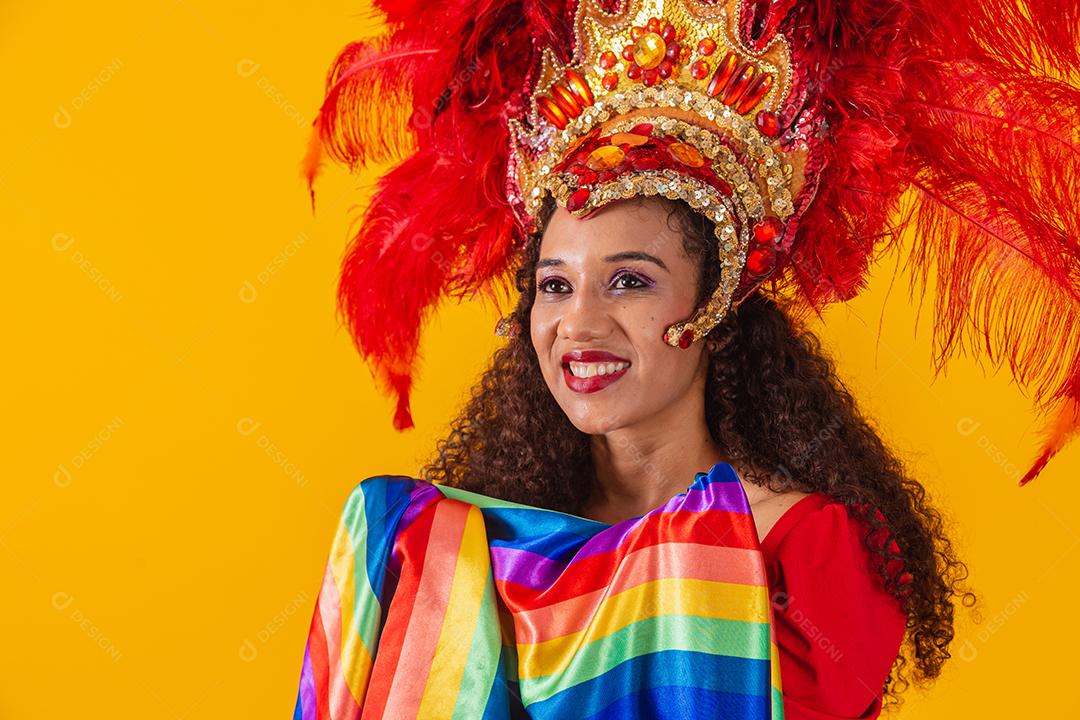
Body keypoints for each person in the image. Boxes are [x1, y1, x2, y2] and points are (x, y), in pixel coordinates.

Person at [295, 0, 1079, 715]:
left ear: (716, 307)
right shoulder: (434, 549)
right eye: (554, 286)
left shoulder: (805, 551)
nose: (578, 323)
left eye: (629, 281)